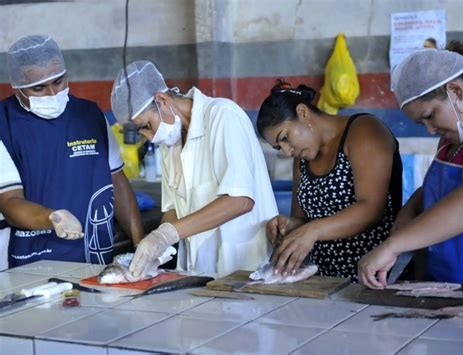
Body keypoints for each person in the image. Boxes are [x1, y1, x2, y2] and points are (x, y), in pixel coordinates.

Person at [111, 61, 278, 277]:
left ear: (162, 100)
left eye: (146, 126)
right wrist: (156, 247)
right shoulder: (169, 143)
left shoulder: (222, 115)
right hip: (199, 272)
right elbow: (173, 209)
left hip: (244, 269)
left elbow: (240, 200)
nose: (149, 137)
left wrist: (167, 235)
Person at [0, 35, 143, 267]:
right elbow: (9, 202)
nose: (51, 94)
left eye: (58, 82)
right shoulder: (4, 123)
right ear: (17, 88)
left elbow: (117, 182)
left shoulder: (90, 115)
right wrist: (52, 217)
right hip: (33, 259)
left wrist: (141, 244)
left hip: (93, 252)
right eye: (38, 88)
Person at [257, 82, 403, 282]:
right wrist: (289, 225)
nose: (287, 151)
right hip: (323, 281)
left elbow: (372, 208)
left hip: (370, 276)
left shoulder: (364, 130)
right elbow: (303, 218)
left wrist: (312, 231)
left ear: (303, 113)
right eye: (278, 147)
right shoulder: (302, 157)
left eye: (285, 137)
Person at [358, 48, 463, 288]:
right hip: (445, 280)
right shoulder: (453, 137)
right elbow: (439, 188)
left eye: (430, 115)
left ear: (455, 91)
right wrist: (408, 211)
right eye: (423, 123)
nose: (430, 130)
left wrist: (393, 245)